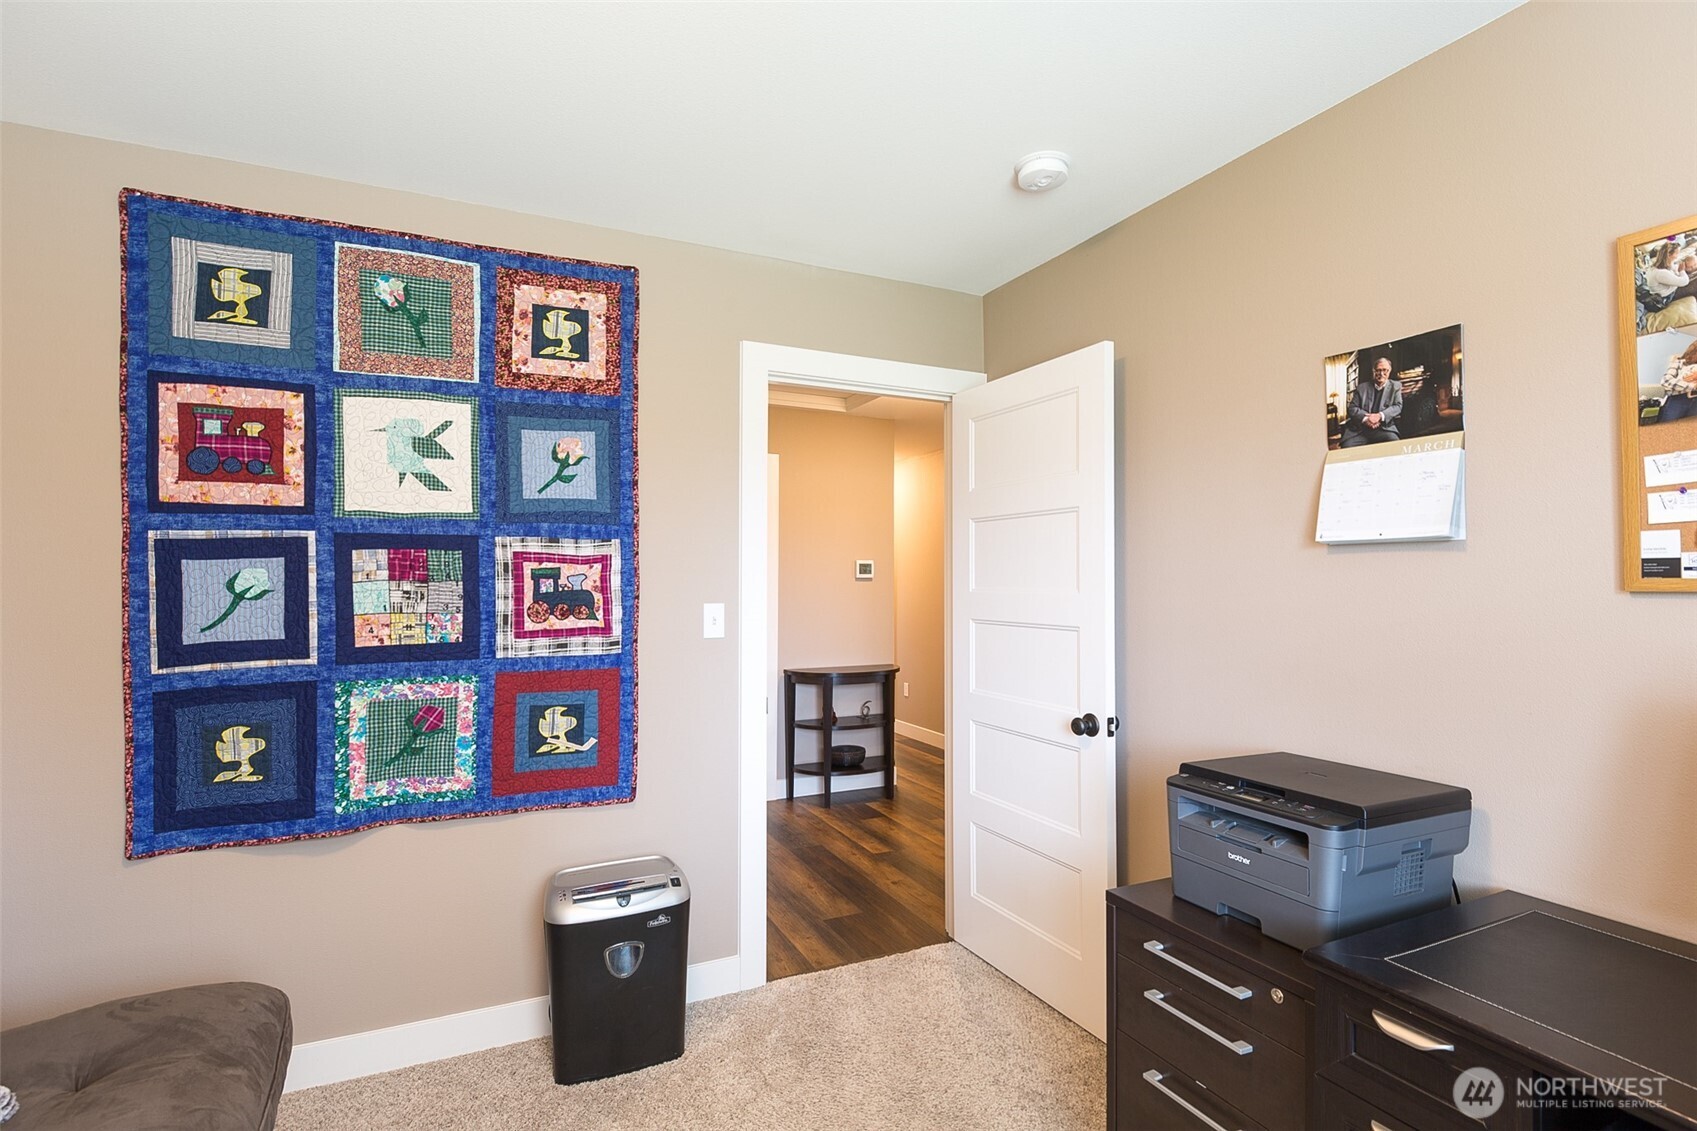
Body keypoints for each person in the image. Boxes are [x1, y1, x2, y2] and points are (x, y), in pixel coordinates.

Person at [1339, 356, 1403, 446]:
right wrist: (1366, 419)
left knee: (1395, 444)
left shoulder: (1395, 386)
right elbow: (1352, 408)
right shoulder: (1362, 388)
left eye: (1385, 370)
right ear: (1374, 371)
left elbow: (1398, 406)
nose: (1381, 373)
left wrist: (1379, 416)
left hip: (1384, 429)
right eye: (1378, 370)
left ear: (1390, 370)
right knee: (1347, 447)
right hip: (1360, 430)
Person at [1656, 339, 1697, 424]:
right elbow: (1666, 381)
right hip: (1677, 401)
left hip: (1695, 403)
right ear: (1693, 352)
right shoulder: (1679, 363)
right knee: (1666, 429)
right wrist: (1692, 386)